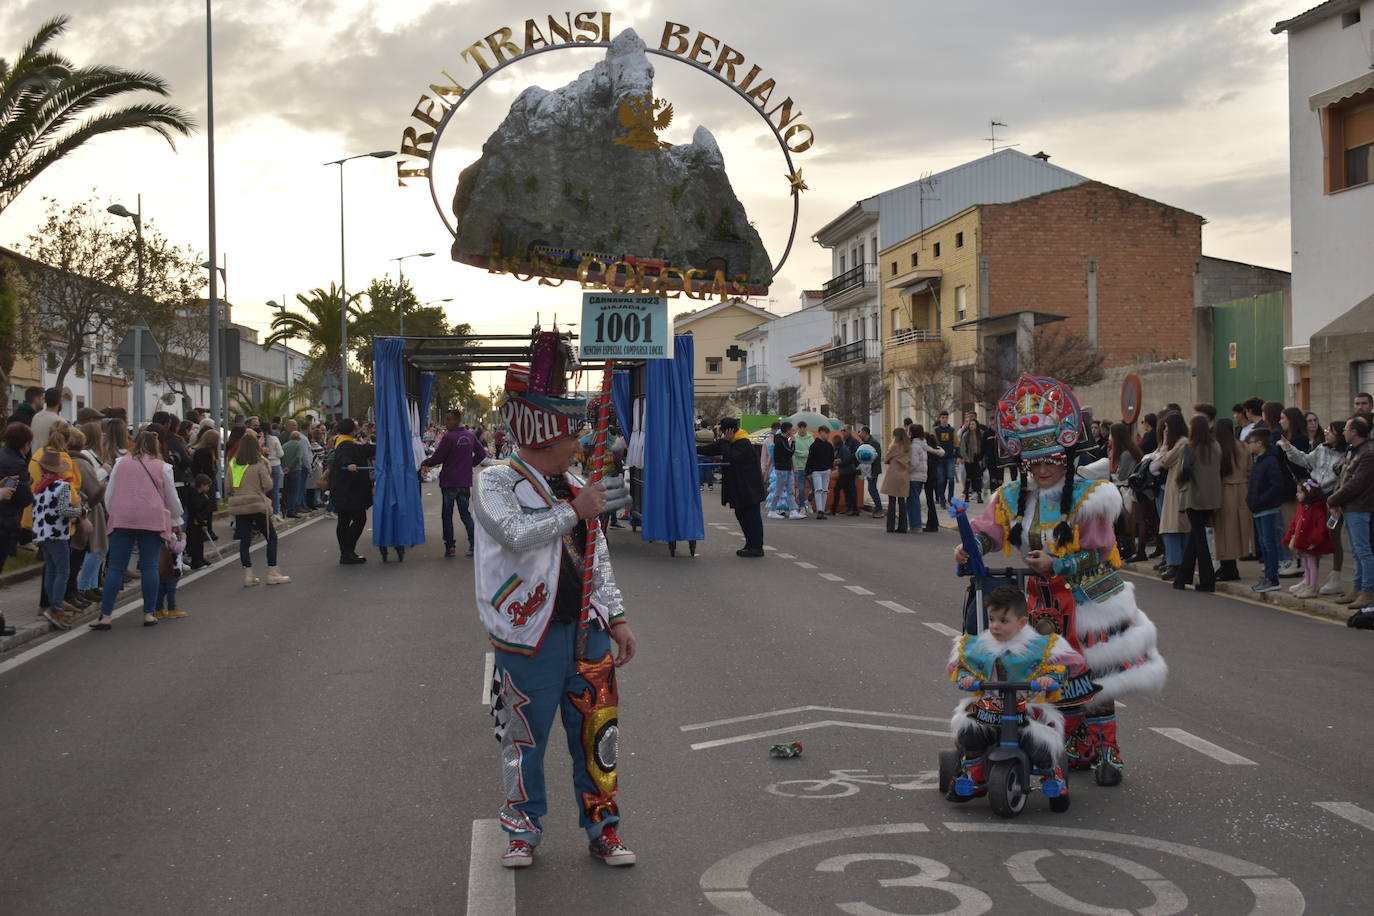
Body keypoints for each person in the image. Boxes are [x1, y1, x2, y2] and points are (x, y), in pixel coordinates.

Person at [473, 340, 637, 869]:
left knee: (599, 734)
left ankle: (603, 828)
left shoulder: (574, 482)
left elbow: (598, 557)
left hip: (586, 630)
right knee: (525, 739)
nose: (580, 439)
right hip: (527, 634)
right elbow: (516, 533)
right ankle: (522, 830)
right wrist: (576, 510)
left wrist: (616, 617)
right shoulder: (494, 481)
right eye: (571, 430)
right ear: (545, 432)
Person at [956, 373, 1166, 784]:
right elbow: (988, 530)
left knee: (1095, 679)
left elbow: (1101, 554)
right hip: (1039, 600)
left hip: (1090, 597)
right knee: (1046, 679)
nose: (1043, 470)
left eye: (1051, 462)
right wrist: (971, 546)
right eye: (1035, 464)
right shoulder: (1015, 496)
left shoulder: (1090, 498)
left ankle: (1108, 748)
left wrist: (1059, 563)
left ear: (1065, 459)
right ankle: (1069, 741)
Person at [945, 585, 1086, 802]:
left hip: (1027, 705)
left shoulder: (1041, 646)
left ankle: (1050, 772)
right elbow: (962, 666)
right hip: (990, 705)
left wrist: (1050, 679)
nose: (995, 626)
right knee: (969, 728)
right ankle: (974, 773)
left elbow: (1064, 666)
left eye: (1003, 621)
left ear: (1021, 623)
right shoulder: (977, 646)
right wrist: (967, 678)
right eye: (992, 619)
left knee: (1038, 739)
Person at [89, 431, 183, 631]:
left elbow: (110, 494)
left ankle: (105, 616)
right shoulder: (163, 467)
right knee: (149, 566)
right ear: (155, 446)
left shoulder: (120, 463)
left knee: (115, 567)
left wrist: (115, 511)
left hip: (123, 518)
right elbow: (171, 498)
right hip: (151, 519)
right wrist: (176, 517)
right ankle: (149, 613)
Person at [421, 409, 488, 557]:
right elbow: (482, 453)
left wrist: (424, 463)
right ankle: (474, 543)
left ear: (457, 420)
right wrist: (469, 464)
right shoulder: (470, 436)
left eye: (449, 419)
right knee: (465, 514)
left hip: (449, 483)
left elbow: (438, 458)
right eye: (446, 419)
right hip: (464, 482)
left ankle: (450, 546)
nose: (446, 422)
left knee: (447, 515)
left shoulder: (449, 438)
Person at [31, 443, 84, 631]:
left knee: (51, 569)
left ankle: (50, 603)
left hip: (41, 532)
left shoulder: (39, 487)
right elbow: (64, 510)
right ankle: (56, 607)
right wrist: (81, 511)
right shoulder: (62, 486)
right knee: (63, 570)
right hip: (57, 532)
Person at [698, 417, 767, 556]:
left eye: (722, 431)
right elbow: (711, 449)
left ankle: (756, 547)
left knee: (751, 516)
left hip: (749, 488)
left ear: (728, 430)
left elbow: (731, 457)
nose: (721, 434)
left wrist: (725, 442)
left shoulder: (743, 443)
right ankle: (750, 544)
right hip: (740, 488)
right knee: (741, 514)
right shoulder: (730, 442)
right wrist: (693, 449)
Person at [228, 432, 289, 587]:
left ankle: (248, 575)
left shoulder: (234, 464)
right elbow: (268, 485)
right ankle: (272, 572)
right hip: (257, 503)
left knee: (245, 540)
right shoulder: (259, 463)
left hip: (240, 505)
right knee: (271, 537)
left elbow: (228, 487)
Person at [1329, 416, 1374, 608]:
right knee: (1356, 551)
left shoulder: (1368, 453)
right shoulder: (1352, 450)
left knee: (1363, 551)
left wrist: (1333, 499)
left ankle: (1368, 591)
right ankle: (1356, 588)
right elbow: (1343, 478)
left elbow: (1357, 483)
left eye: (1347, 429)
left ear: (1355, 432)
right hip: (1349, 506)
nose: (1344, 432)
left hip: (1360, 506)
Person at [1173, 415, 1222, 592]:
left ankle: (1207, 580)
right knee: (1196, 537)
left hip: (1194, 497)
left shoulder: (1190, 447)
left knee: (1199, 541)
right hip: (1212, 498)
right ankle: (1182, 578)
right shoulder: (1216, 447)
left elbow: (1182, 472)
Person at [1243, 424, 1288, 594]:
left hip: (1267, 509)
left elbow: (1276, 485)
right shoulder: (1258, 460)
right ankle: (1268, 576)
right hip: (1258, 509)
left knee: (1270, 544)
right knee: (1263, 543)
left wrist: (1260, 501)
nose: (1249, 445)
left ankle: (1272, 578)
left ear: (1260, 443)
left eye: (1251, 442)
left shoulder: (1270, 461)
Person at [1149, 413, 1190, 581]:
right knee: (1171, 527)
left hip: (1178, 490)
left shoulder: (1182, 443)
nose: (1165, 430)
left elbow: (1164, 460)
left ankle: (1176, 563)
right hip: (1173, 489)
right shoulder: (1180, 443)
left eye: (1166, 427)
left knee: (1173, 527)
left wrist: (1165, 444)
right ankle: (1175, 562)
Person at [1212, 419, 1253, 582]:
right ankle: (1230, 566)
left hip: (1224, 490)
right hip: (1243, 490)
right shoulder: (1243, 446)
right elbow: (1250, 470)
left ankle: (1227, 567)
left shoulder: (1217, 448)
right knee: (1238, 530)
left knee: (1224, 531)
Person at [329, 418, 374, 564]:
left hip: (343, 488)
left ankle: (346, 552)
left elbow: (364, 450)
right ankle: (348, 550)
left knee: (344, 520)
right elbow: (344, 457)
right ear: (353, 430)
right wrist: (349, 464)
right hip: (350, 490)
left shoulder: (343, 441)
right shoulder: (346, 444)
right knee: (359, 519)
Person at [1284, 479, 1334, 599]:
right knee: (1306, 564)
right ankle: (1307, 583)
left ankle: (1313, 587)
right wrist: (1291, 534)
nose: (1297, 494)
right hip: (1302, 541)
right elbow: (1295, 522)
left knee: (1312, 565)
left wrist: (1314, 540)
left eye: (1300, 492)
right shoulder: (1301, 507)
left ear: (1309, 494)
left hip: (1310, 543)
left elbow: (1321, 528)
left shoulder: (1316, 510)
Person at [907, 424, 944, 533]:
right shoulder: (923, 444)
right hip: (923, 475)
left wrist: (906, 471)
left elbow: (914, 463)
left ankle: (916, 525)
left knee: (914, 501)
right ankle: (918, 523)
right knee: (916, 500)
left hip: (916, 476)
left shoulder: (915, 446)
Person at [880, 428, 911, 533]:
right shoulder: (908, 447)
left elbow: (886, 459)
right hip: (903, 475)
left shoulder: (894, 446)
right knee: (902, 502)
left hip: (893, 474)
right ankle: (903, 527)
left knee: (892, 501)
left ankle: (890, 526)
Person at [767, 422, 800, 519]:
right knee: (778, 490)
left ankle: (793, 511)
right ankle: (772, 510)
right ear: (788, 430)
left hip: (787, 469)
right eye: (791, 430)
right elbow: (789, 452)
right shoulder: (780, 440)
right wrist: (793, 442)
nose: (792, 432)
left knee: (790, 490)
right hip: (781, 469)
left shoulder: (784, 440)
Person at [185, 473, 215, 569]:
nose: (208, 488)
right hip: (195, 522)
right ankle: (196, 560)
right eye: (207, 486)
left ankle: (200, 558)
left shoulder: (202, 495)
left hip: (201, 521)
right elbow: (196, 511)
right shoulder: (194, 496)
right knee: (195, 541)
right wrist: (202, 523)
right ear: (202, 485)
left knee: (200, 540)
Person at [805, 424, 835, 519]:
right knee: (819, 490)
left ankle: (821, 510)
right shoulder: (814, 445)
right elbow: (810, 459)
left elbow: (831, 457)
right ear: (821, 433)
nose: (828, 435)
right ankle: (820, 510)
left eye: (828, 433)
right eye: (826, 433)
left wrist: (830, 467)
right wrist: (808, 472)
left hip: (826, 470)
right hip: (816, 471)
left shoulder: (829, 445)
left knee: (825, 491)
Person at [832, 431, 859, 516]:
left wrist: (839, 462)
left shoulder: (843, 448)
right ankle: (852, 509)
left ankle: (834, 509)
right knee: (848, 491)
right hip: (847, 472)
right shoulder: (841, 448)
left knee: (838, 489)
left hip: (847, 472)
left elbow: (847, 458)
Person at [933, 411, 957, 507]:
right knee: (941, 480)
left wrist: (958, 455)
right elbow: (934, 443)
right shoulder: (936, 430)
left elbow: (956, 443)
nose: (944, 419)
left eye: (946, 417)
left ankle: (951, 499)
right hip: (939, 459)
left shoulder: (952, 430)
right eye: (942, 417)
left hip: (950, 458)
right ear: (940, 418)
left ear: (948, 418)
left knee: (951, 479)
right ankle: (942, 499)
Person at [958, 414, 983, 502]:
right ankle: (967, 495)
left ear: (976, 426)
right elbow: (962, 448)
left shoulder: (980, 434)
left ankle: (979, 494)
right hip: (969, 458)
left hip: (977, 457)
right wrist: (965, 457)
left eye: (973, 424)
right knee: (969, 476)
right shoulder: (966, 435)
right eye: (970, 424)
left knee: (979, 476)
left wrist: (982, 458)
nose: (971, 426)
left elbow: (983, 446)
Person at [859, 427, 883, 516]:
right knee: (871, 489)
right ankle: (878, 508)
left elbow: (877, 456)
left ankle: (879, 509)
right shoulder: (867, 442)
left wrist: (872, 471)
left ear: (865, 433)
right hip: (869, 469)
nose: (859, 434)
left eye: (860, 432)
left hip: (873, 470)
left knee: (872, 489)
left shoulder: (873, 443)